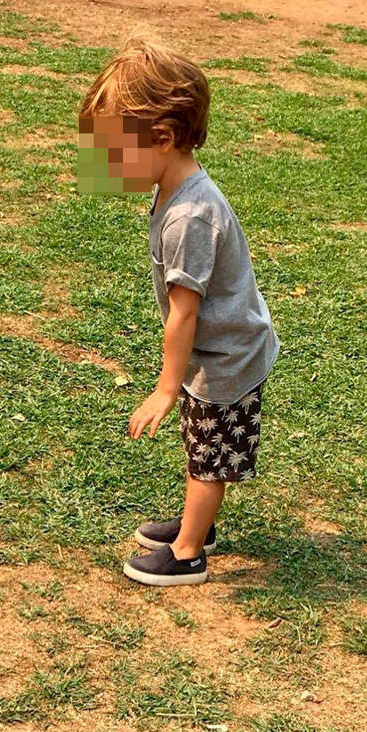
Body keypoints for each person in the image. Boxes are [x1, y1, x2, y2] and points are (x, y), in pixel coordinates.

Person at [77, 33, 280, 586]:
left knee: (209, 451)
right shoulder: (173, 190)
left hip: (225, 354)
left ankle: (189, 551)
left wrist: (167, 387)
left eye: (112, 151)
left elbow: (183, 313)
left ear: (162, 138)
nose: (103, 164)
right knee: (200, 441)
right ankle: (198, 520)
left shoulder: (190, 215)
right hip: (215, 346)